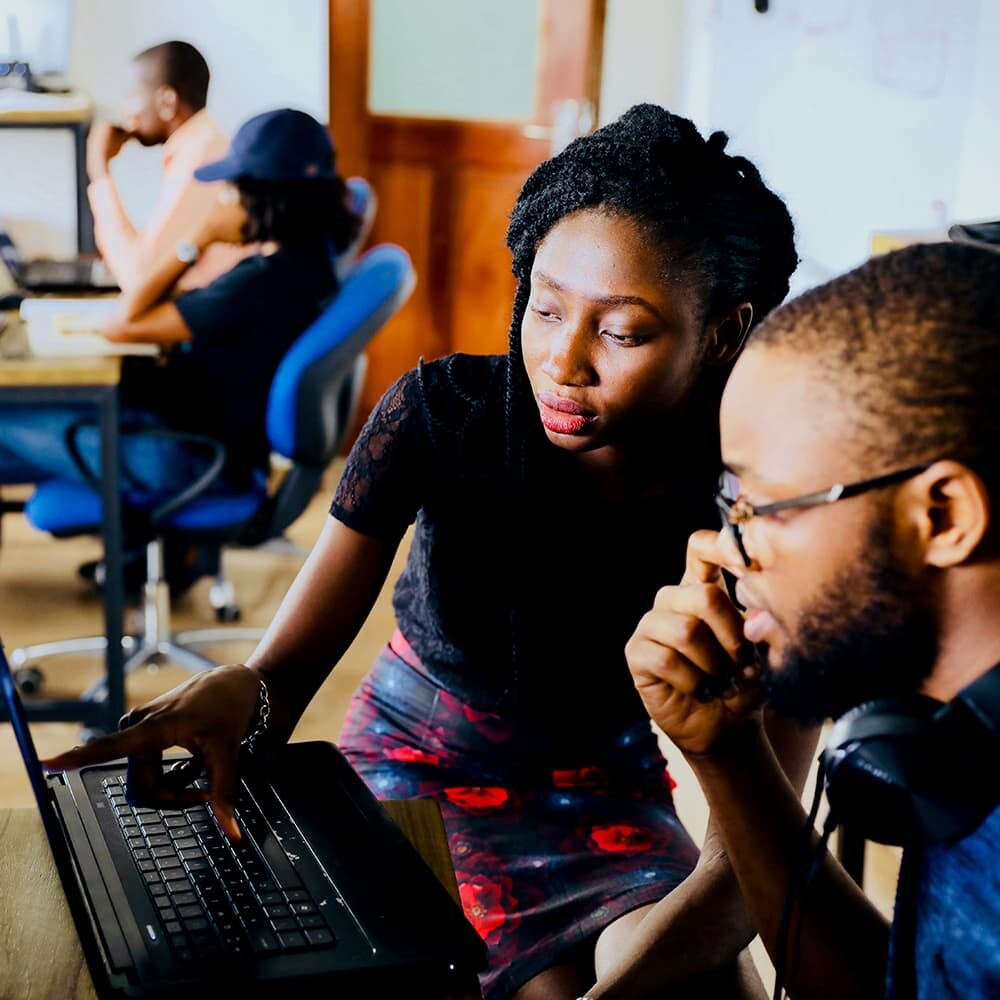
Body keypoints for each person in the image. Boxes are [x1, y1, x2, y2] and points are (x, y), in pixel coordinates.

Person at [45, 105, 805, 1000]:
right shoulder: (443, 416)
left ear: (722, 331)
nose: (561, 360)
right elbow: (282, 675)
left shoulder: (766, 503)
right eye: (546, 306)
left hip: (604, 798)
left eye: (621, 331)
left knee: (708, 987)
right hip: (413, 769)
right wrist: (239, 694)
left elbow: (756, 863)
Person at [623, 242, 1000, 999]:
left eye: (764, 506)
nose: (723, 548)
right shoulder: (951, 738)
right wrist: (727, 754)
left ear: (942, 514)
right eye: (730, 502)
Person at [0, 108, 359, 503]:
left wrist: (198, 238)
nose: (224, 196)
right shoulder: (308, 264)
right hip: (198, 440)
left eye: (232, 186)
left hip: (184, 458)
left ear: (261, 196)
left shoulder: (259, 283)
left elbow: (123, 323)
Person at [87, 39, 252, 292]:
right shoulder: (200, 145)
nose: (125, 110)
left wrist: (99, 171)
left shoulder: (201, 157)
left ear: (167, 102)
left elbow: (140, 279)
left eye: (132, 96)